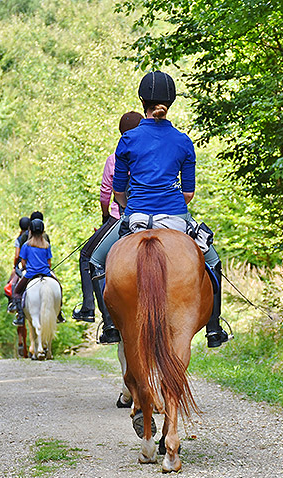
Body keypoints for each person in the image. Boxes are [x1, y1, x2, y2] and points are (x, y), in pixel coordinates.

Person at [90, 70, 229, 348]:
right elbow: (188, 193)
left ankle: (110, 325)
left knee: (95, 261)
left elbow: (118, 191)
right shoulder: (183, 141)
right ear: (171, 101)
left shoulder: (128, 139)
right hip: (175, 217)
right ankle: (214, 328)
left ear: (143, 100)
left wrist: (131, 207)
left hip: (137, 216)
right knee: (212, 262)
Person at [72, 111, 143, 345]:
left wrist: (106, 215)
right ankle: (212, 323)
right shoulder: (150, 154)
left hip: (122, 217)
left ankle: (97, 314)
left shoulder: (115, 157)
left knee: (88, 258)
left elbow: (107, 193)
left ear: (122, 133)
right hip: (158, 214)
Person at [12, 218, 65, 326]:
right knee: (59, 287)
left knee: (17, 292)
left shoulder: (26, 245)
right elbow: (49, 263)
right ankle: (59, 313)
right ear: (42, 231)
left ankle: (20, 316)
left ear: (30, 231)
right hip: (46, 272)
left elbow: (23, 262)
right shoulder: (46, 245)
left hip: (30, 274)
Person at [6, 216, 31, 313]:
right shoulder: (37, 238)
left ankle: (13, 304)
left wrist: (15, 266)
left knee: (12, 284)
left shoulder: (19, 239)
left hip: (24, 264)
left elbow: (17, 255)